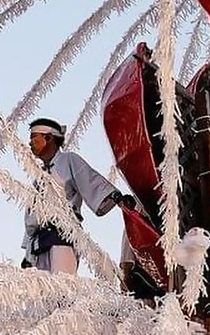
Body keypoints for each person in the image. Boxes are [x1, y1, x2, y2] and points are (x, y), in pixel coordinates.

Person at [22, 117, 132, 274]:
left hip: (62, 237)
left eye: (34, 137)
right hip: (39, 244)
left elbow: (88, 178)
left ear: (49, 137)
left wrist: (115, 197)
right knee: (41, 292)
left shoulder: (68, 160)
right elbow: (31, 216)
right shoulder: (38, 177)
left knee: (62, 288)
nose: (30, 143)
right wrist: (28, 253)